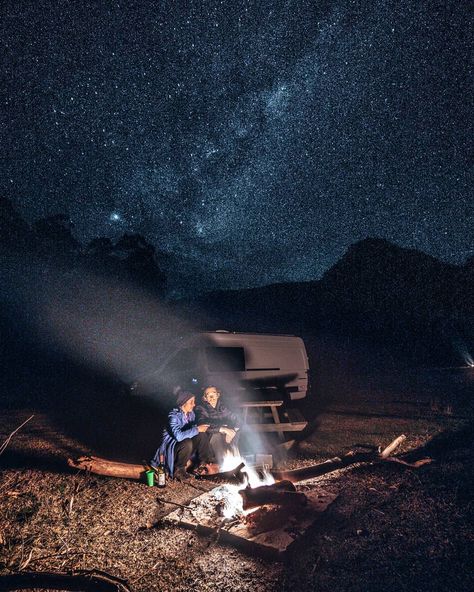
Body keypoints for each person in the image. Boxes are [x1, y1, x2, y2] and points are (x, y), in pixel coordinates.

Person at [151, 390, 211, 481]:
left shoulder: (191, 414)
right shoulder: (173, 416)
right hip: (171, 450)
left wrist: (199, 428)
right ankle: (179, 470)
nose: (194, 404)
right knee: (187, 441)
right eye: (191, 402)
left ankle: (200, 464)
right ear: (183, 403)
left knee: (201, 435)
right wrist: (197, 429)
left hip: (184, 449)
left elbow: (193, 430)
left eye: (194, 402)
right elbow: (178, 437)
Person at [195, 385, 240, 465]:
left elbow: (238, 419)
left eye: (214, 393)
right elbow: (203, 425)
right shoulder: (201, 408)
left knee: (236, 433)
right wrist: (223, 429)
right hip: (210, 437)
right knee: (217, 436)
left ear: (218, 395)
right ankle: (221, 464)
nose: (212, 396)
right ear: (205, 398)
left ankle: (235, 461)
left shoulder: (223, 407)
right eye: (208, 394)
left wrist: (233, 431)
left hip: (226, 435)